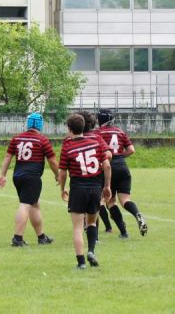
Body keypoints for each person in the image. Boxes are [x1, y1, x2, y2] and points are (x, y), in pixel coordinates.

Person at [57, 114, 112, 269]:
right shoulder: (96, 142)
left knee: (77, 227)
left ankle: (81, 262)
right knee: (92, 222)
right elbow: (107, 165)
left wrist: (63, 189)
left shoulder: (67, 146)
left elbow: (62, 173)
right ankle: (92, 251)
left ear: (69, 129)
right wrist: (107, 186)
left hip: (78, 189)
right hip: (95, 189)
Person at [0, 112, 58, 246]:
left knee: (34, 205)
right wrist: (58, 175)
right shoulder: (42, 140)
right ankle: (17, 239)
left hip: (18, 176)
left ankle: (41, 237)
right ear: (40, 125)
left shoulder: (17, 138)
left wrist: (2, 174)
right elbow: (52, 161)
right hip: (32, 177)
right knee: (25, 205)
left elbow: (8, 157)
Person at [96, 109, 147, 237]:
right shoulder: (120, 131)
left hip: (108, 167)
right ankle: (137, 214)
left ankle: (123, 232)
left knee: (108, 201)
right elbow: (131, 150)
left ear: (99, 120)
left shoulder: (97, 133)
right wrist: (119, 156)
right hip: (123, 166)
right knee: (125, 200)